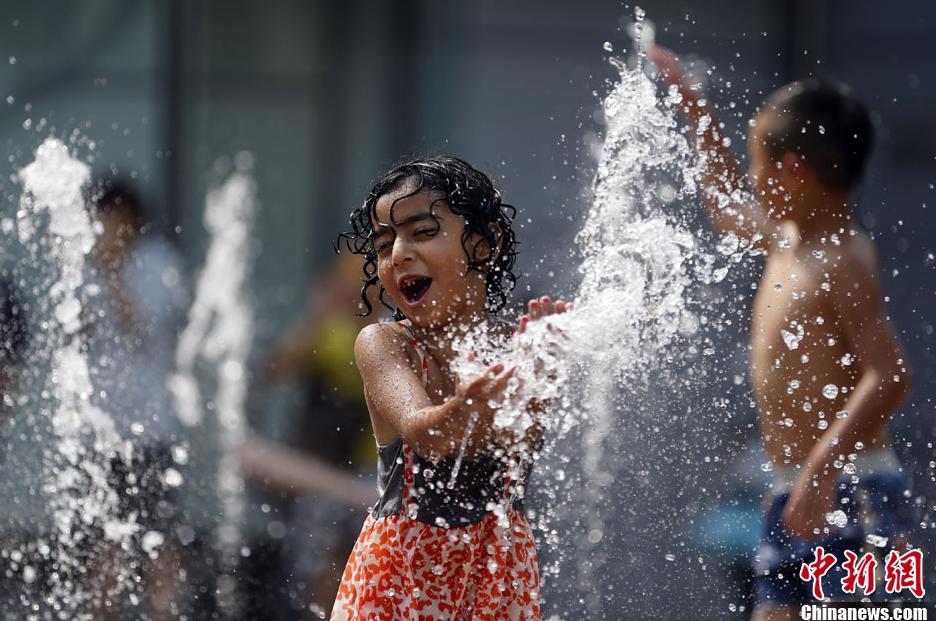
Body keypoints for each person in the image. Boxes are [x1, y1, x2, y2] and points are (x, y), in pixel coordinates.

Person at [651, 48, 915, 618]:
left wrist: (821, 472)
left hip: (854, 493)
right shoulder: (787, 241)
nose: (751, 179)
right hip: (797, 488)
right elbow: (723, 204)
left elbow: (890, 374)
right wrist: (694, 107)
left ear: (793, 170)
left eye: (757, 164)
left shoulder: (843, 258)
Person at [332, 156, 565, 620]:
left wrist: (541, 380)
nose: (398, 254)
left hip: (496, 573)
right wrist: (464, 405)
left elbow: (519, 452)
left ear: (484, 243)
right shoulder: (385, 343)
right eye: (383, 244)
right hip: (400, 579)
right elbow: (425, 433)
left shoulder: (513, 345)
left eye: (422, 233)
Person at [87, 181, 189, 620]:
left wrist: (113, 272)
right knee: (99, 535)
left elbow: (142, 327)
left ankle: (161, 613)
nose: (107, 229)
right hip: (100, 428)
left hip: (152, 427)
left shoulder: (159, 265)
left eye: (115, 218)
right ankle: (101, 612)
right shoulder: (82, 268)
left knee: (158, 534)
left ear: (133, 220)